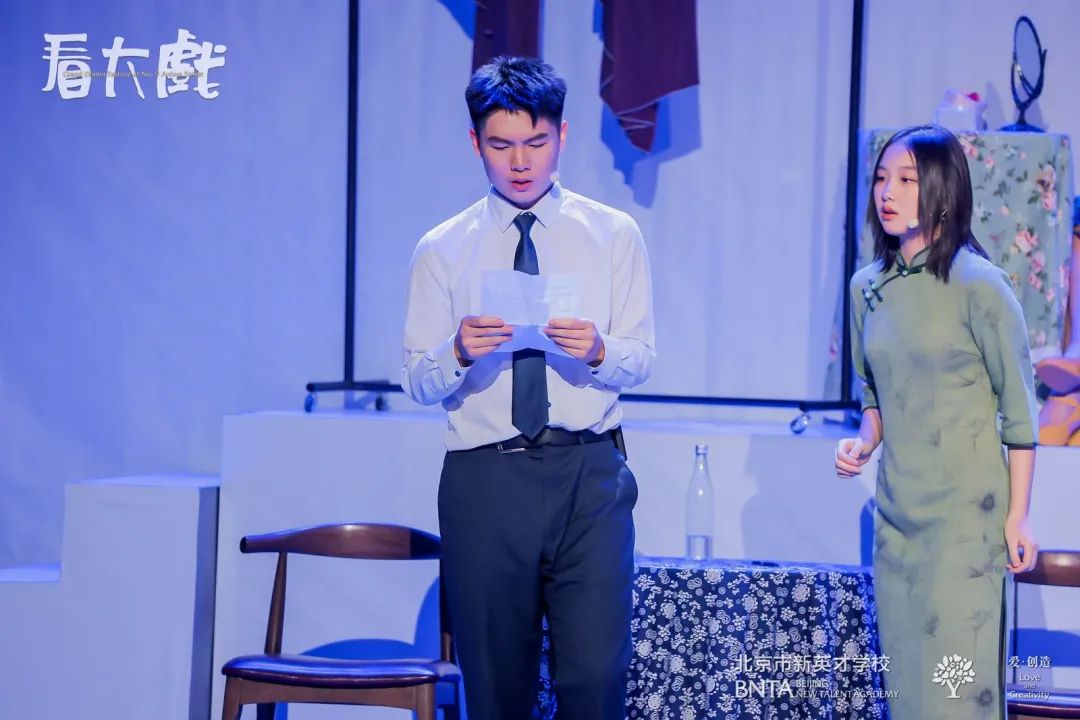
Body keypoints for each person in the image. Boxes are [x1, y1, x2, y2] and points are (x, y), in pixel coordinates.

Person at [401, 56, 655, 720]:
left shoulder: (613, 235)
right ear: (475, 143)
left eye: (536, 143)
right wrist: (458, 350)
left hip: (589, 473)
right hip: (486, 477)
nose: (520, 162)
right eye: (501, 145)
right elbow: (418, 379)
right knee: (495, 687)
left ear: (562, 136)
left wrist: (598, 349)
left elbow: (640, 359)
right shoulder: (442, 248)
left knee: (595, 677)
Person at [835, 124, 1039, 718]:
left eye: (907, 179)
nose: (887, 193)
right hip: (897, 519)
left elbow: (1020, 413)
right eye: (881, 179)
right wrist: (863, 443)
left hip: (965, 525)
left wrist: (1018, 516)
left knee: (956, 695)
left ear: (943, 190)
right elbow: (874, 395)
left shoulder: (980, 285)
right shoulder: (867, 289)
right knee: (907, 692)